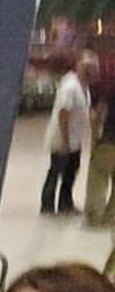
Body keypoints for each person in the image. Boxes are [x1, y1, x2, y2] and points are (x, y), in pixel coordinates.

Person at [41, 51, 99, 216]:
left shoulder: (83, 86)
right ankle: (47, 206)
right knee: (56, 171)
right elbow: (63, 114)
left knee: (71, 172)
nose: (92, 72)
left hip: (75, 140)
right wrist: (65, 142)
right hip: (63, 139)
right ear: (79, 66)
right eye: (89, 68)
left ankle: (65, 203)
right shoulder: (70, 86)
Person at [84, 88, 115, 227]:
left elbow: (99, 114)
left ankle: (94, 218)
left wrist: (95, 137)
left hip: (108, 141)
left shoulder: (109, 90)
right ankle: (111, 217)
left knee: (98, 180)